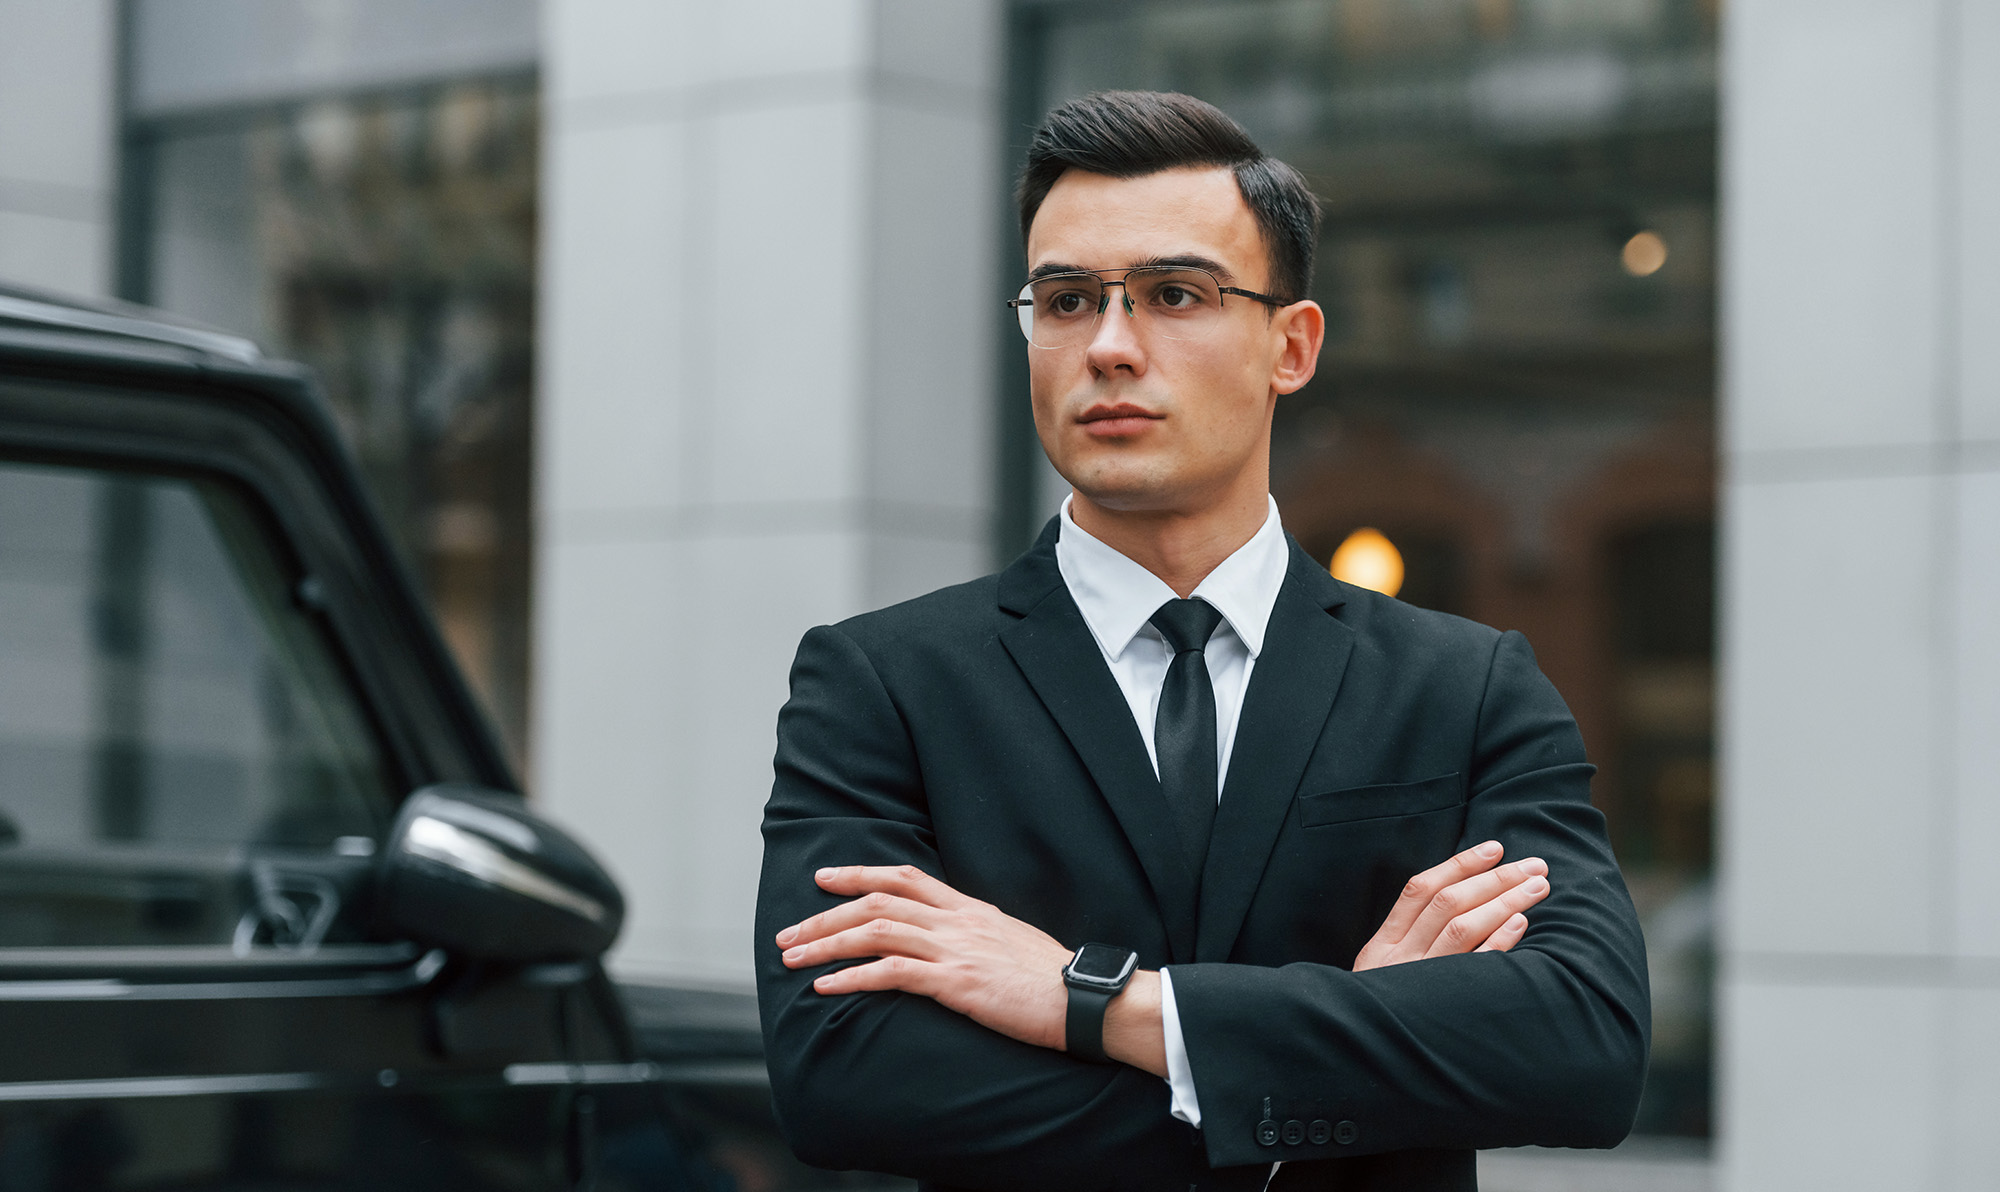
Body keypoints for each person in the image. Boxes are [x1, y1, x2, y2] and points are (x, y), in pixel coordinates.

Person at [754, 91, 1648, 1192]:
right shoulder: (880, 682)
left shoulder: (1463, 686)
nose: (1110, 347)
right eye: (1066, 299)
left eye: (1173, 294)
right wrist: (1349, 1051)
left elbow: (1582, 1046)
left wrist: (1088, 1000)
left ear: (1291, 344)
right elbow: (844, 1075)